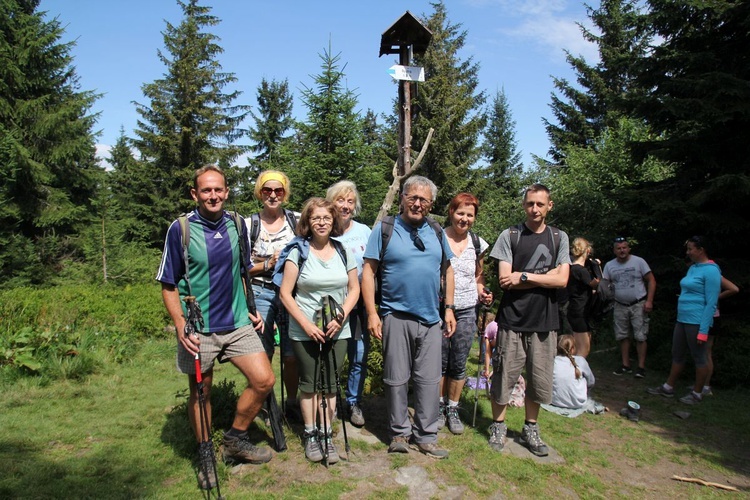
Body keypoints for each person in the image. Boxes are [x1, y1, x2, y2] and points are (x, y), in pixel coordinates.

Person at [156, 165, 274, 490]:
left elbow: (244, 269)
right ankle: (206, 452)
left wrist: (251, 308)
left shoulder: (237, 224)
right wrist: (180, 324)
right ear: (195, 194)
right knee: (201, 393)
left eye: (218, 190)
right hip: (198, 329)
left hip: (237, 323)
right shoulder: (180, 229)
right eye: (206, 190)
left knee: (263, 380)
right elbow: (167, 284)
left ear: (226, 191)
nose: (213, 196)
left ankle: (235, 439)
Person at [361, 176, 456, 459]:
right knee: (396, 379)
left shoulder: (437, 231)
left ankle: (426, 436)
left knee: (429, 379)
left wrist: (449, 308)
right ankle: (398, 433)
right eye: (412, 197)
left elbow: (448, 270)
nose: (417, 203)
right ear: (402, 197)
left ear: (431, 204)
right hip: (395, 315)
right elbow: (369, 271)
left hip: (430, 319)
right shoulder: (385, 228)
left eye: (423, 199)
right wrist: (372, 313)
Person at [486, 183, 570, 457]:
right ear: (524, 205)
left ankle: (530, 427)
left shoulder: (559, 238)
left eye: (540, 204)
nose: (534, 209)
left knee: (539, 379)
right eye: (530, 203)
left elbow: (563, 279)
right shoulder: (510, 236)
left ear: (549, 206)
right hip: (512, 320)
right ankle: (497, 425)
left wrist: (525, 276)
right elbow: (504, 280)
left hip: (546, 322)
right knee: (503, 376)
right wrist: (545, 278)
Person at [277, 198, 359, 464]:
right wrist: (307, 325)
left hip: (338, 329)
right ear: (307, 222)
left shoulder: (344, 250)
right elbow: (285, 294)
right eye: (316, 218)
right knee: (310, 384)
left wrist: (340, 317)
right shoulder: (297, 252)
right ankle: (310, 434)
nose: (322, 222)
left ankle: (327, 435)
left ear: (333, 220)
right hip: (305, 330)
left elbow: (354, 289)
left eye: (326, 217)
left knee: (331, 385)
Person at [245, 170, 300, 420]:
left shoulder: (297, 221)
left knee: (290, 354)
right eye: (267, 190)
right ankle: (265, 404)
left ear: (285, 194)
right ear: (260, 193)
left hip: (291, 293)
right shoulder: (249, 225)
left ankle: (291, 402)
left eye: (278, 191)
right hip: (260, 291)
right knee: (263, 353)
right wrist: (269, 263)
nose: (273, 195)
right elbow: (242, 266)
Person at [439, 193, 493, 435]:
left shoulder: (477, 243)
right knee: (439, 362)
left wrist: (483, 292)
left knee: (459, 361)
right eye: (460, 213)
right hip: (439, 309)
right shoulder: (437, 237)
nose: (464, 218)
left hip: (468, 310)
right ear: (451, 212)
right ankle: (438, 406)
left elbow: (478, 275)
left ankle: (453, 408)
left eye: (469, 215)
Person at [648, 235, 721, 404]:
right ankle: (668, 387)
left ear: (701, 250)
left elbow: (712, 302)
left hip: (697, 321)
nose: (687, 252)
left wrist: (703, 331)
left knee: (699, 357)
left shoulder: (712, 271)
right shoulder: (694, 268)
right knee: (677, 354)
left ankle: (697, 393)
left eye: (690, 249)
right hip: (683, 319)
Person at [325, 181, 372, 428]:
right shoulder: (323, 229)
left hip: (360, 306)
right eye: (340, 200)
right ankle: (329, 403)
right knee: (331, 356)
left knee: (359, 355)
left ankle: (354, 402)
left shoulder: (365, 232)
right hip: (330, 305)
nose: (345, 206)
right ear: (331, 202)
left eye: (350, 201)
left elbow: (375, 269)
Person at [603, 237, 656, 378]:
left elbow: (651, 280)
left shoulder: (639, 262)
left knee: (640, 336)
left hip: (638, 303)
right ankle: (625, 364)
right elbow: (605, 284)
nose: (622, 251)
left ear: (629, 249)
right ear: (614, 250)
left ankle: (641, 367)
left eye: (624, 247)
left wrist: (649, 301)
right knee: (622, 335)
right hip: (620, 304)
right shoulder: (609, 265)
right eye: (619, 248)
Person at [703, 275, 739, 395]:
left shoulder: (713, 274)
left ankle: (706, 386)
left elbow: (734, 289)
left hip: (711, 317)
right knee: (702, 352)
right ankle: (702, 383)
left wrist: (715, 298)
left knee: (706, 351)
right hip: (703, 315)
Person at [566, 238, 600, 358]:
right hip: (580, 311)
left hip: (575, 310)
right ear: (588, 251)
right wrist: (597, 267)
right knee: (583, 350)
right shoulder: (581, 271)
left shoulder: (569, 269)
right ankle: (576, 374)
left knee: (576, 347)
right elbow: (597, 284)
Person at [550, 335, 595, 410]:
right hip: (579, 403)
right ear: (572, 349)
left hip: (555, 401)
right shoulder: (581, 360)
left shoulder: (552, 361)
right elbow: (591, 381)